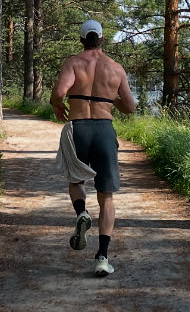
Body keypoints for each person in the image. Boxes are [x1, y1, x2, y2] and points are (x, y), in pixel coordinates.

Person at [50, 19, 136, 277]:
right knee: (106, 195)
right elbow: (130, 107)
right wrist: (110, 99)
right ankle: (102, 257)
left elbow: (58, 93)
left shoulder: (73, 63)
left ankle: (81, 213)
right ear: (102, 38)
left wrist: (57, 106)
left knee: (76, 179)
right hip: (104, 130)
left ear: (81, 40)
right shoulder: (115, 68)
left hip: (79, 128)